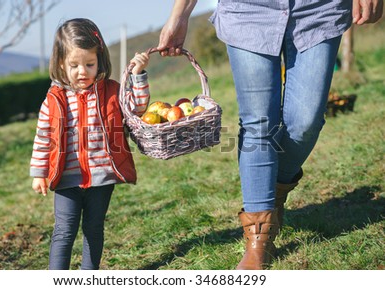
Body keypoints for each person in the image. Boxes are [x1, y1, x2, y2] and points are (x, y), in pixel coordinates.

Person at [157, 0, 383, 270]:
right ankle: (259, 240)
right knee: (258, 124)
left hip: (319, 8)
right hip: (248, 10)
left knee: (306, 121)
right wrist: (179, 15)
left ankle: (272, 191)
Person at [30, 18, 150, 270]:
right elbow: (43, 138)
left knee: (94, 229)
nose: (82, 71)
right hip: (66, 178)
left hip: (101, 178)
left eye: (89, 64)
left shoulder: (112, 92)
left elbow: (137, 109)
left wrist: (138, 76)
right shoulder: (54, 100)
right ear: (61, 63)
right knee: (64, 231)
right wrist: (39, 173)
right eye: (74, 65)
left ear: (100, 60)